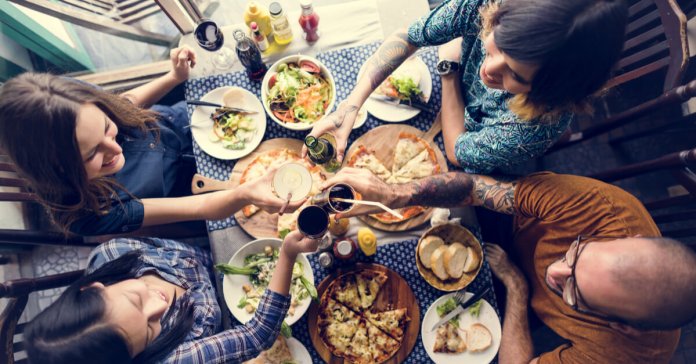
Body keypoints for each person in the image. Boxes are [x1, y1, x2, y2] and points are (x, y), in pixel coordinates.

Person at [325, 168, 696, 363]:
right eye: (578, 253)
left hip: (519, 300)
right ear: (625, 241)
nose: (555, 272)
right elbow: (474, 187)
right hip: (515, 223)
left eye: (574, 292)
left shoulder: (621, 356)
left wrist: (518, 288)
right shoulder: (602, 209)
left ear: (621, 326)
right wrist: (395, 194)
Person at [0, 47, 302, 236]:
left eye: (107, 128)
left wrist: (173, 77)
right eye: (93, 153)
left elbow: (123, 104)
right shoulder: (88, 214)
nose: (115, 149)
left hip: (191, 128)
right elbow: (200, 208)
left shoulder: (71, 103)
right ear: (58, 171)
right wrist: (244, 194)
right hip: (191, 195)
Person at [304, 0, 628, 173]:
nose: (489, 69)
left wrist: (448, 72)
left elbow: (458, 150)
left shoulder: (535, 128)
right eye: (497, 44)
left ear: (548, 94)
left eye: (515, 75)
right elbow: (409, 36)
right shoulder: (486, 3)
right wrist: (351, 105)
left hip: (472, 137)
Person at [24, 230, 318, 364]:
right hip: (239, 322)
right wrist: (287, 254)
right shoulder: (174, 359)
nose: (160, 303)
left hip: (224, 264)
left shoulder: (113, 253)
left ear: (93, 288)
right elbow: (256, 337)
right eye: (152, 329)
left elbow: (188, 252)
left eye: (135, 301)